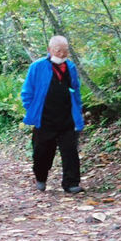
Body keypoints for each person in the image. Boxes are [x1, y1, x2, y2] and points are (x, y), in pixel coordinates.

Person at [21, 36, 85, 194]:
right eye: (58, 50)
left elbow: (75, 90)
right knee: (42, 153)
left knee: (70, 152)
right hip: (44, 119)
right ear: (49, 50)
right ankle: (41, 177)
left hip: (67, 118)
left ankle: (71, 183)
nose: (62, 54)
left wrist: (78, 109)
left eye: (65, 51)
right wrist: (33, 109)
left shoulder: (70, 67)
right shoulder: (37, 67)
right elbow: (27, 92)